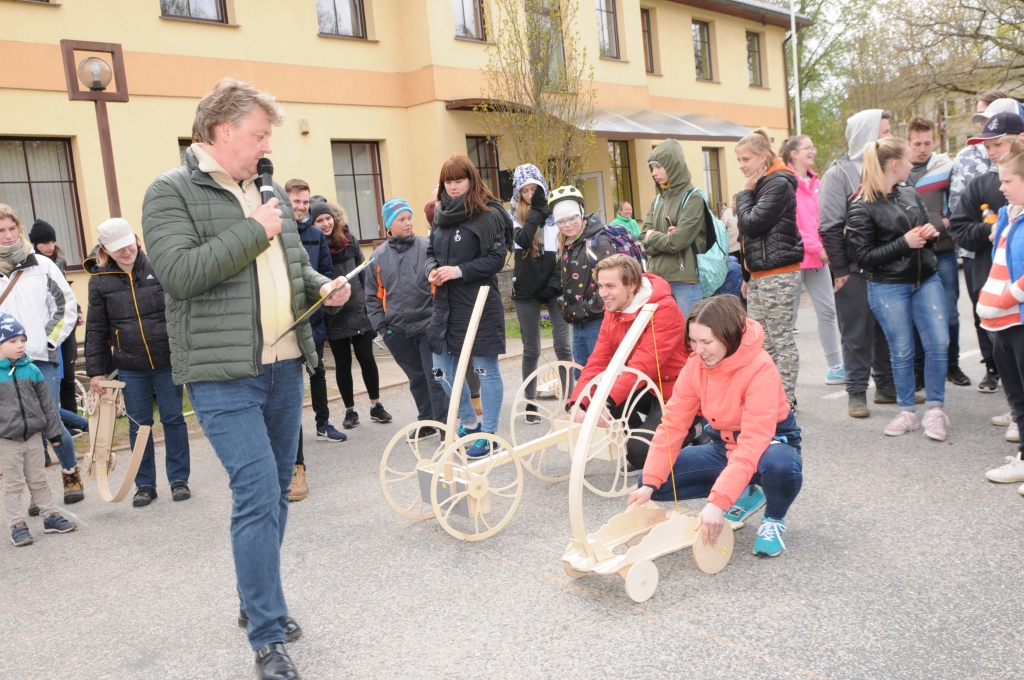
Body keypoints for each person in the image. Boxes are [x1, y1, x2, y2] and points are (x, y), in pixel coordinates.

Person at [142, 78, 353, 680]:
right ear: (221, 130)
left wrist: (324, 288)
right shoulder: (169, 193)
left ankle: (253, 595)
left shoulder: (266, 194)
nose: (265, 148)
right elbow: (180, 275)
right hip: (222, 374)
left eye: (267, 138)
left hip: (286, 364)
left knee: (280, 489)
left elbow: (294, 266)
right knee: (259, 491)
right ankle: (266, 633)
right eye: (258, 135)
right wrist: (253, 228)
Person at [628, 295, 802, 558]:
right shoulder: (695, 365)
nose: (698, 350)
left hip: (769, 445)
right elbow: (673, 424)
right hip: (725, 446)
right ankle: (745, 493)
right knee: (654, 482)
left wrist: (718, 502)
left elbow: (754, 440)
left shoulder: (761, 368)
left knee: (781, 466)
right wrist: (650, 481)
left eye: (706, 342)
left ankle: (773, 519)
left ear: (729, 336)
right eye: (693, 341)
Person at [846, 138, 950, 441]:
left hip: (926, 278)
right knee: (901, 350)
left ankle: (935, 411)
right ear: (894, 165)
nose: (912, 165)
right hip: (888, 285)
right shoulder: (861, 206)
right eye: (907, 160)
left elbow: (921, 229)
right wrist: (904, 243)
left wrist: (929, 234)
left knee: (938, 344)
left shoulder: (909, 192)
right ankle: (907, 411)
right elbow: (862, 258)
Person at [84, 218, 192, 507]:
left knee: (173, 419)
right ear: (106, 249)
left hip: (167, 360)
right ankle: (144, 484)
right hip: (130, 366)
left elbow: (182, 309)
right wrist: (95, 371)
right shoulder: (99, 281)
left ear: (137, 239)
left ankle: (179, 479)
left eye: (129, 244)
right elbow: (95, 328)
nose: (126, 252)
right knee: (139, 425)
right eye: (118, 249)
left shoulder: (159, 266)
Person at [567, 255, 693, 469]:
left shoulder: (664, 309)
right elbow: (599, 360)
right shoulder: (614, 308)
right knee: (608, 403)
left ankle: (698, 429)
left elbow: (643, 365)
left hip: (676, 389)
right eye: (600, 286)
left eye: (610, 286)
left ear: (632, 284)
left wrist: (602, 402)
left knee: (639, 454)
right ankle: (647, 437)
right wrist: (581, 401)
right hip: (646, 387)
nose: (603, 294)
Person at [427, 153, 510, 459]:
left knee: (484, 369)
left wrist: (459, 271)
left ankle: (488, 434)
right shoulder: (440, 214)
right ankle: (470, 423)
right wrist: (431, 270)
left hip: (478, 303)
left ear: (471, 179)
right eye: (448, 181)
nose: (453, 186)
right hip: (446, 304)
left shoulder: (488, 214)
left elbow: (496, 259)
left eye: (459, 180)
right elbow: (431, 252)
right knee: (440, 370)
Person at [0, 204, 83, 505]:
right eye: (1, 231)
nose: (8, 236)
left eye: (12, 229)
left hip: (39, 357)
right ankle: (38, 491)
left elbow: (64, 306)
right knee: (21, 427)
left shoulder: (41, 265)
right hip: (3, 365)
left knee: (49, 420)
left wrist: (46, 342)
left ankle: (70, 471)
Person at [819, 109, 899, 418]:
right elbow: (828, 225)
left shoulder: (888, 170)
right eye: (885, 131)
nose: (890, 136)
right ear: (867, 135)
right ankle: (855, 392)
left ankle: (887, 387)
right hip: (852, 269)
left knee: (885, 330)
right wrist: (840, 271)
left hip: (885, 265)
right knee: (856, 332)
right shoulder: (839, 173)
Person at [951, 111, 1024, 442]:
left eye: (996, 144)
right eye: (986, 145)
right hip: (992, 289)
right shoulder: (981, 184)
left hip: (1015, 297)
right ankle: (1016, 413)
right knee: (1003, 357)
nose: (990, 152)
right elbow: (959, 228)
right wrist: (989, 230)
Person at [366, 198, 448, 435]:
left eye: (409, 218)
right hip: (397, 331)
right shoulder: (378, 257)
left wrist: (438, 320)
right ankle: (426, 422)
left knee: (435, 377)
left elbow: (440, 286)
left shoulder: (426, 247)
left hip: (428, 326)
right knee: (416, 378)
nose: (408, 223)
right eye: (401, 219)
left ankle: (444, 426)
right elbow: (372, 296)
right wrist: (383, 328)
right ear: (390, 225)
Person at [734, 128, 804, 408]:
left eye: (746, 159)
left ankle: (785, 402)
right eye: (738, 159)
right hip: (761, 274)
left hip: (780, 273)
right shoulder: (760, 184)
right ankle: (771, 397)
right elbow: (749, 237)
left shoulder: (777, 183)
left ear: (763, 158)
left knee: (780, 339)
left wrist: (744, 195)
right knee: (762, 343)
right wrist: (747, 275)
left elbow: (751, 223)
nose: (741, 165)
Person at [0, 313, 78, 546]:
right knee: (13, 485)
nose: (20, 345)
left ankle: (50, 517)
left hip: (33, 437)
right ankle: (17, 525)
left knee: (39, 479)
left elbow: (48, 405)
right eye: (12, 341)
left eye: (22, 340)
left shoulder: (32, 369)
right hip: (6, 441)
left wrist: (54, 432)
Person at [315, 200, 391, 429]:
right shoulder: (315, 246)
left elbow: (365, 273)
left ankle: (376, 405)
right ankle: (350, 411)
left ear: (334, 218)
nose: (325, 223)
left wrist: (369, 302)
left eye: (328, 218)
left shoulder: (350, 239)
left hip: (358, 309)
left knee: (367, 358)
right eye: (319, 220)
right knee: (342, 364)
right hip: (334, 313)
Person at [906, 116, 969, 388]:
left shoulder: (946, 166)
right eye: (917, 143)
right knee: (915, 312)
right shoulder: (901, 170)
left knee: (949, 311)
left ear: (935, 141)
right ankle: (919, 369)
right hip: (910, 253)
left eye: (928, 143)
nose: (923, 148)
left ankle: (952, 364)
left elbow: (958, 205)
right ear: (908, 142)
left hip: (942, 250)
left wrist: (942, 223)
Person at [976, 137, 1024, 491]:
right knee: (1017, 395)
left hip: (1017, 316)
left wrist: (1009, 297)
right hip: (1001, 321)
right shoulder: (1009, 215)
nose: (1001, 187)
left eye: (1007, 181)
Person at [509, 164, 573, 421]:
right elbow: (523, 241)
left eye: (535, 189)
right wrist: (536, 211)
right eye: (525, 190)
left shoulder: (555, 214)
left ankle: (571, 399)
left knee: (562, 345)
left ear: (543, 187)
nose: (530, 193)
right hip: (525, 289)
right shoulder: (512, 215)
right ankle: (530, 402)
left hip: (555, 288)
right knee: (531, 348)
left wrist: (554, 285)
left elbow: (563, 253)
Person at [780, 135, 844, 386]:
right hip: (795, 259)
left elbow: (824, 219)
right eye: (808, 148)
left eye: (813, 148)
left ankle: (835, 367)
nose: (813, 152)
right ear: (793, 153)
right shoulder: (785, 182)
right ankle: (781, 374)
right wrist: (819, 248)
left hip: (818, 261)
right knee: (787, 319)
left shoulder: (818, 182)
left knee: (827, 312)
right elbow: (792, 225)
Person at [551, 185, 633, 367]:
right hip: (578, 320)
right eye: (561, 221)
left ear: (580, 214)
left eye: (572, 218)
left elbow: (614, 279)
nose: (567, 225)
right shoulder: (568, 243)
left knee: (600, 372)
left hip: (597, 320)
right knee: (582, 372)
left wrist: (595, 307)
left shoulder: (598, 241)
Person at [641, 139, 707, 316]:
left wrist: (653, 236)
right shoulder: (657, 201)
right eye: (652, 168)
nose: (654, 173)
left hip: (685, 282)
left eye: (658, 167)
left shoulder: (693, 198)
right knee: (666, 341)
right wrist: (662, 239)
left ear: (673, 166)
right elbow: (641, 238)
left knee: (691, 338)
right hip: (658, 282)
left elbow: (677, 242)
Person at [29, 219, 85, 419]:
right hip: (43, 331)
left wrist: (77, 310)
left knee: (68, 379)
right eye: (45, 243)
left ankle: (74, 422)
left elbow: (65, 293)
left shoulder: (59, 262)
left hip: (64, 329)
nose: (50, 247)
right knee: (46, 385)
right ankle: (54, 423)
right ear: (35, 244)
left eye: (52, 242)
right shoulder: (30, 264)